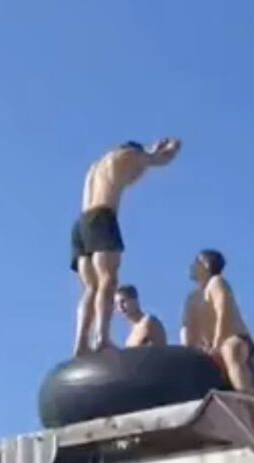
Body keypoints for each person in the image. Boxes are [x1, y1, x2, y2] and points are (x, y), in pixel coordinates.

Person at [70, 138, 182, 356]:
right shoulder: (128, 155)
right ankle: (101, 338)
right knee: (108, 279)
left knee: (91, 287)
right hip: (102, 217)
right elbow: (160, 159)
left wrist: (148, 158)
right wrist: (171, 147)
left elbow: (129, 177)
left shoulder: (97, 168)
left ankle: (81, 344)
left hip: (81, 226)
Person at [180, 249, 254, 391]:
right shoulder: (192, 298)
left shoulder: (216, 282)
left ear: (205, 265)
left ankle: (246, 395)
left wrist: (217, 344)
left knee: (230, 349)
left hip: (233, 339)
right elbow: (188, 328)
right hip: (210, 347)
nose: (192, 266)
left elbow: (223, 312)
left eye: (197, 262)